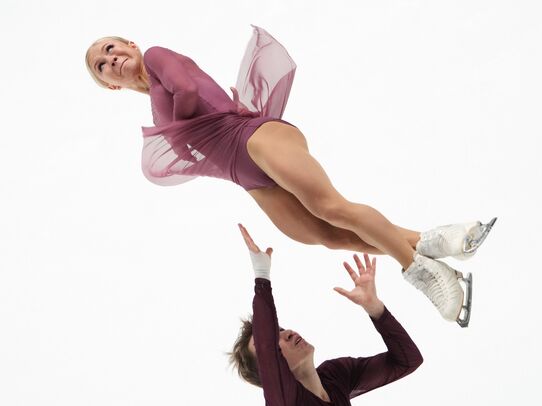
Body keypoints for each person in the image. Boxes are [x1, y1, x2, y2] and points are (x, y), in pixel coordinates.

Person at [85, 26, 497, 325]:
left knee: (332, 208)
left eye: (110, 49)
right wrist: (181, 133)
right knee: (324, 235)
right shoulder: (155, 110)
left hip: (252, 138)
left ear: (129, 44)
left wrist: (180, 131)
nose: (111, 60)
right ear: (109, 87)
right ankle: (439, 242)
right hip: (243, 175)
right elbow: (187, 146)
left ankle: (422, 273)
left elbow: (188, 94)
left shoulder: (156, 56)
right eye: (102, 67)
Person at [229, 224, 423, 406]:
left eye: (279, 329)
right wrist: (261, 274)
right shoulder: (285, 403)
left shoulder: (335, 375)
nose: (286, 333)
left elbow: (406, 361)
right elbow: (266, 347)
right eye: (273, 337)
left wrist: (375, 309)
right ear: (268, 371)